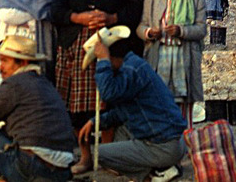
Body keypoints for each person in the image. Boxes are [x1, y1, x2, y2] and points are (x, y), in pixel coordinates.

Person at [50, 0, 143, 174]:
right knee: (79, 107)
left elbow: (135, 7)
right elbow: (56, 11)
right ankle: (86, 156)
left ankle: (109, 155)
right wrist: (78, 17)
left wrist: (112, 17)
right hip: (76, 46)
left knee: (109, 101)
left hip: (111, 44)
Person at [78, 37, 187, 182]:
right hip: (172, 142)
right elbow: (122, 113)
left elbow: (108, 93)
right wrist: (94, 122)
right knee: (120, 133)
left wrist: (103, 60)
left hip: (164, 147)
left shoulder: (132, 70)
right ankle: (159, 169)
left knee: (97, 154)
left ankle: (158, 171)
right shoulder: (133, 65)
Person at [0, 35, 74, 182]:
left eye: (5, 61)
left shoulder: (15, 84)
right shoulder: (44, 82)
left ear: (22, 62)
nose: (0, 67)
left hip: (32, 166)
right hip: (62, 170)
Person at [137, 0, 207, 127]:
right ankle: (166, 140)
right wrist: (149, 33)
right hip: (159, 56)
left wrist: (181, 31)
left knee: (184, 99)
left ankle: (185, 137)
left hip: (184, 58)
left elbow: (201, 30)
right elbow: (140, 26)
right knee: (160, 98)